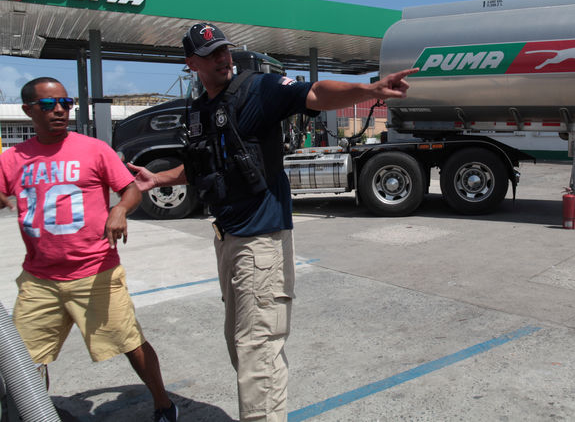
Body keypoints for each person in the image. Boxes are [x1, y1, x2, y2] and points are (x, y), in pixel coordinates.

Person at [126, 22, 417, 422]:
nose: (223, 58)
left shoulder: (257, 90)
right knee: (240, 345)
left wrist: (368, 90)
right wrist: (158, 177)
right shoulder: (201, 109)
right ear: (192, 63)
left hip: (261, 241)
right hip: (227, 238)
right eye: (211, 55)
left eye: (224, 50)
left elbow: (314, 93)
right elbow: (202, 167)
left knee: (257, 350)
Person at [0, 77, 179, 422]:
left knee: (130, 343)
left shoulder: (93, 149)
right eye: (49, 105)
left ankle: (163, 404)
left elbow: (130, 188)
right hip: (40, 280)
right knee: (23, 359)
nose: (59, 111)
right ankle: (33, 412)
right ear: (28, 111)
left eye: (65, 103)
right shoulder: (12, 159)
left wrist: (119, 209)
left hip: (95, 273)